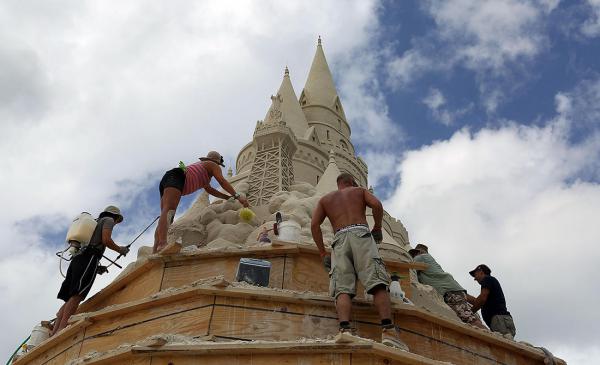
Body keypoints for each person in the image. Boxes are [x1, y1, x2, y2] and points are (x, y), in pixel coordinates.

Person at [310, 172, 409, 351]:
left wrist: (323, 252)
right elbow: (377, 205)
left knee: (342, 288)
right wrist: (377, 227)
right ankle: (388, 331)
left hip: (339, 240)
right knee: (377, 282)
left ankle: (345, 331)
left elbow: (314, 225)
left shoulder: (326, 199)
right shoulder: (359, 191)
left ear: (338, 184)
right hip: (360, 234)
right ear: (352, 182)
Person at [51, 206, 129, 337]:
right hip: (89, 258)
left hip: (78, 259)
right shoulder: (108, 220)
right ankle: (61, 330)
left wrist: (97, 267)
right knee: (77, 295)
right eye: (117, 221)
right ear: (115, 217)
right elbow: (106, 240)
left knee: (70, 296)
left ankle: (54, 332)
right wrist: (120, 249)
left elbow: (91, 245)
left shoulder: (94, 223)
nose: (116, 224)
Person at [154, 151, 249, 253]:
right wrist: (237, 196)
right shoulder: (213, 165)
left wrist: (227, 197)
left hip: (170, 177)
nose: (218, 168)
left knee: (167, 214)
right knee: (168, 212)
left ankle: (155, 249)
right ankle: (162, 244)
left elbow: (210, 190)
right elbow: (222, 181)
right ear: (216, 162)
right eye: (219, 165)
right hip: (177, 176)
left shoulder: (204, 172)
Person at [409, 244, 486, 329]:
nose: (413, 256)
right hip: (453, 291)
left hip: (450, 293)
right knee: (469, 317)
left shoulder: (421, 256)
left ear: (419, 251)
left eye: (414, 254)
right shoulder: (430, 261)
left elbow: (410, 266)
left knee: (470, 320)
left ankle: (489, 337)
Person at [467, 264, 516, 339]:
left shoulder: (487, 279)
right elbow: (478, 301)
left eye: (475, 275)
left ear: (481, 271)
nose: (475, 279)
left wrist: (469, 313)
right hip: (502, 320)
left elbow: (482, 299)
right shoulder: (490, 282)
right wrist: (463, 295)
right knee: (505, 344)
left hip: (499, 321)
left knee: (502, 345)